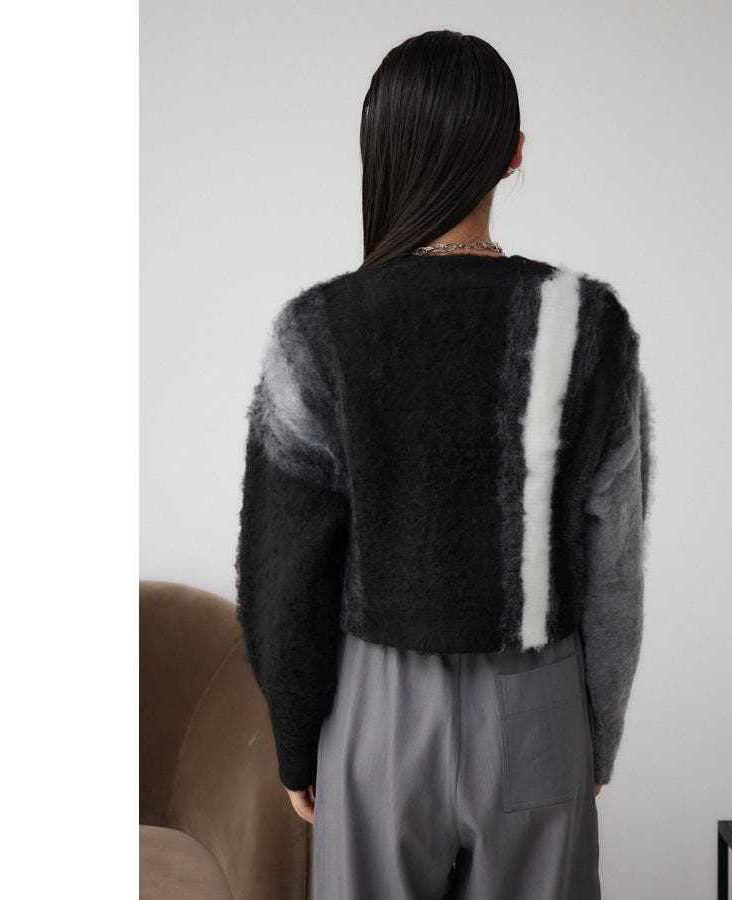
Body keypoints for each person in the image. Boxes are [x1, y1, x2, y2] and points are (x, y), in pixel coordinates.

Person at [234, 28, 654, 900]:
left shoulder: (320, 331)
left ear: (378, 150)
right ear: (514, 152)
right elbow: (614, 560)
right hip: (538, 710)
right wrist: (596, 732)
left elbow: (285, 570)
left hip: (378, 715)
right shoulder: (589, 325)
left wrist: (296, 740)